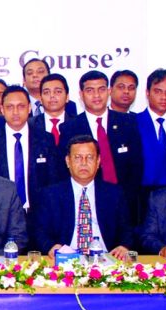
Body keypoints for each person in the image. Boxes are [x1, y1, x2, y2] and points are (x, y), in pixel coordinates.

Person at [58, 71, 144, 223]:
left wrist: (126, 197)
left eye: (101, 89)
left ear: (109, 91)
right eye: (90, 90)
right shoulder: (69, 128)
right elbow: (66, 169)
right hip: (85, 203)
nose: (96, 95)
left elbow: (136, 166)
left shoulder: (128, 122)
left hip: (124, 202)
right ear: (81, 94)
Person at [32, 135, 134, 259]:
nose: (84, 163)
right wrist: (50, 246)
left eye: (90, 157)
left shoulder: (114, 193)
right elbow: (39, 231)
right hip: (65, 259)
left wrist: (124, 246)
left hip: (106, 259)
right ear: (68, 161)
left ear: (98, 162)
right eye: (78, 158)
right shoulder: (50, 194)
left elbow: (127, 230)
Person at [0, 85, 62, 212]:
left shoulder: (45, 139)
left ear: (29, 108)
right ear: (2, 109)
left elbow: (53, 180)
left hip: (39, 213)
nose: (15, 112)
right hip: (1, 213)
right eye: (10, 107)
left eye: (21, 106)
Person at [29, 74, 74, 146]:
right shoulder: (29, 125)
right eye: (46, 92)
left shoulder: (78, 124)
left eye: (58, 91)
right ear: (40, 99)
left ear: (67, 97)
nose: (52, 96)